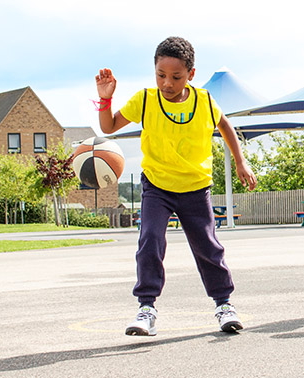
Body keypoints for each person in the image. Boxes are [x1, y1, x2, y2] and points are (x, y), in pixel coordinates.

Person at [95, 36, 257, 336]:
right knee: (150, 242)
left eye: (176, 77)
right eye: (161, 75)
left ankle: (224, 305)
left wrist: (240, 161)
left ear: (190, 75)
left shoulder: (204, 100)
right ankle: (146, 308)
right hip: (157, 186)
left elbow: (225, 125)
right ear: (154, 71)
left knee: (208, 247)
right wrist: (106, 99)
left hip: (195, 188)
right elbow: (108, 127)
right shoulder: (145, 99)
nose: (167, 83)